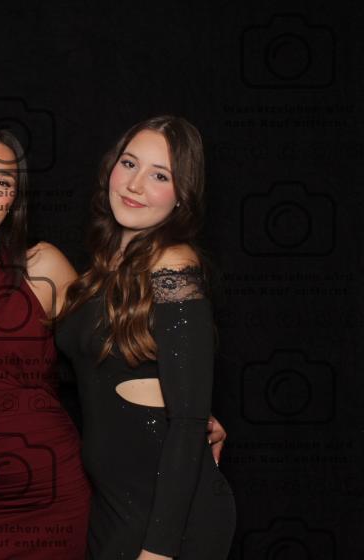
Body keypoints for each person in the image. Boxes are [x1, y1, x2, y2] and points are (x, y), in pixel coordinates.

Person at [0, 124, 228, 559]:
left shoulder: (47, 265)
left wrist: (190, 413)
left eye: (3, 183)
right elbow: (105, 345)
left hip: (57, 495)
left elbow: (128, 350)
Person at [54, 116, 236, 559]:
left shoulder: (174, 267)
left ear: (182, 195)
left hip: (168, 521)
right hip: (114, 505)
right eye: (129, 163)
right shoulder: (106, 269)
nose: (135, 184)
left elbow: (188, 420)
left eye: (160, 176)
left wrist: (158, 551)